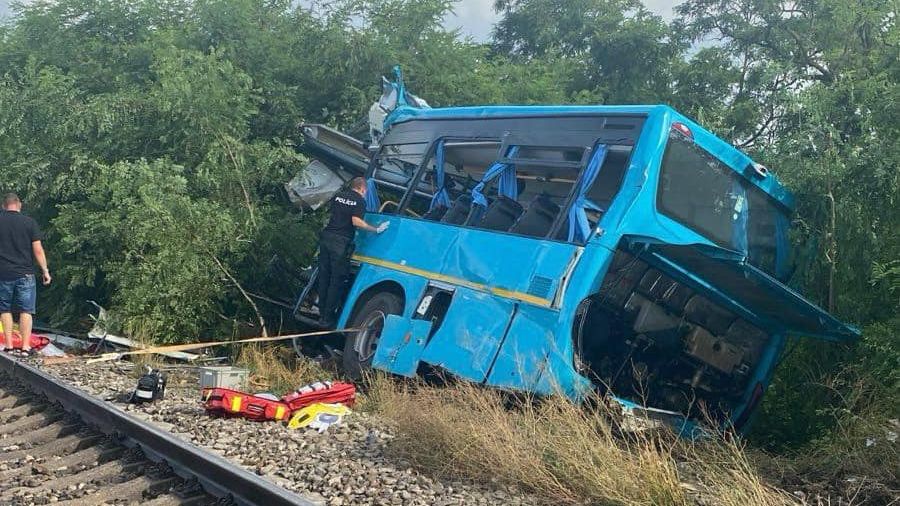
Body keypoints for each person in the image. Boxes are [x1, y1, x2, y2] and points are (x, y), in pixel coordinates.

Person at [317, 177, 388, 328]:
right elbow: (356, 221)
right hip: (341, 242)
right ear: (363, 189)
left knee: (324, 276)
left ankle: (321, 312)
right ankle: (327, 318)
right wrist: (376, 229)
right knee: (336, 280)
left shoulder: (339, 196)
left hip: (327, 237)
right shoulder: (359, 201)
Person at [0, 193, 51, 354]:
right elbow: (38, 250)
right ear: (19, 205)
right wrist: (45, 270)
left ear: (4, 206)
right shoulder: (29, 223)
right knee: (26, 310)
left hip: (3, 273)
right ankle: (25, 347)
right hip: (25, 274)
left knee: (4, 309)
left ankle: (8, 346)